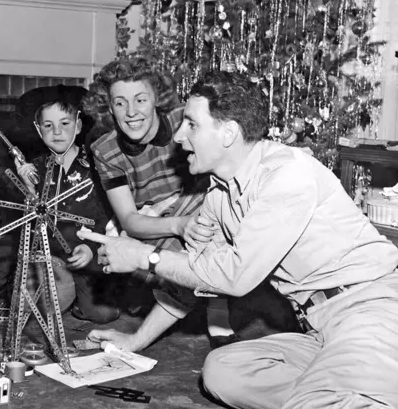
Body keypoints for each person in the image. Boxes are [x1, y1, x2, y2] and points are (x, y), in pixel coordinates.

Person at [78, 70, 398, 409]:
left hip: (370, 309)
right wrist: (135, 340)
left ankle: (335, 404)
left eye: (191, 125)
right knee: (222, 373)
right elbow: (194, 274)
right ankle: (343, 395)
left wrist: (144, 256)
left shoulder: (287, 175)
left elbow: (234, 276)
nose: (180, 138)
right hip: (319, 328)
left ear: (228, 132)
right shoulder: (219, 193)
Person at [82, 54, 299, 347]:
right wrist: (176, 223)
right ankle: (192, 301)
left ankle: (216, 308)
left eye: (141, 100)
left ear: (157, 97)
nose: (131, 112)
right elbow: (130, 220)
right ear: (109, 106)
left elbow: (235, 156)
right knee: (144, 253)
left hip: (205, 199)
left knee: (206, 226)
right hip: (156, 220)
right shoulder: (105, 150)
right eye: (120, 103)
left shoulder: (186, 121)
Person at [11, 85, 120, 323]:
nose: (57, 132)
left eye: (65, 124)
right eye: (48, 126)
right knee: (38, 302)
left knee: (104, 313)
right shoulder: (36, 169)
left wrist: (90, 249)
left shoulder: (95, 167)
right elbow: (26, 224)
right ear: (38, 130)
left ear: (78, 126)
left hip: (87, 258)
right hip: (50, 257)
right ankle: (60, 294)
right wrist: (27, 189)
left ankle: (79, 301)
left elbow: (107, 216)